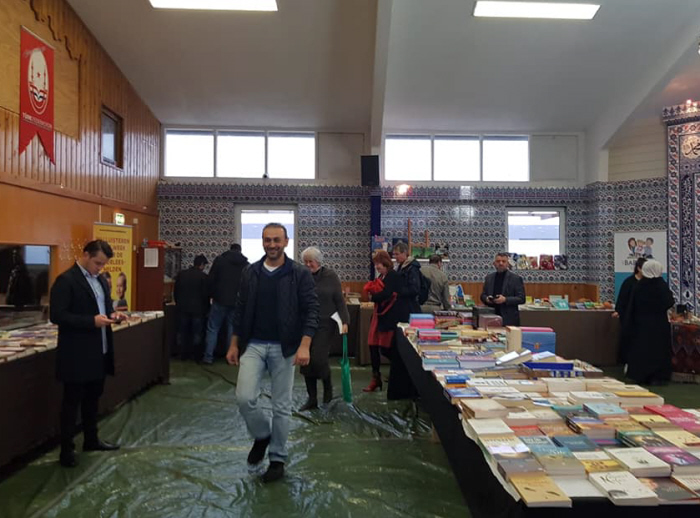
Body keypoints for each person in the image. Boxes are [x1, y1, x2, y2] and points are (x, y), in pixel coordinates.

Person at [226, 223, 319, 483]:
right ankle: (262, 435)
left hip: (286, 347)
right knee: (244, 397)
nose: (272, 245)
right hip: (253, 344)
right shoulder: (250, 272)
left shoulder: (299, 274)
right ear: (262, 242)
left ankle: (277, 459)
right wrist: (234, 343)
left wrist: (304, 344)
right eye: (267, 240)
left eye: (277, 240)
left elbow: (312, 310)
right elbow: (240, 309)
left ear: (286, 242)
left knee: (281, 406)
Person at [49, 240, 126, 468]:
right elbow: (58, 315)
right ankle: (66, 449)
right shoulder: (66, 281)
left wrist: (114, 315)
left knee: (93, 399)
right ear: (85, 255)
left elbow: (105, 308)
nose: (99, 268)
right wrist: (90, 321)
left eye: (103, 265)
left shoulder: (101, 280)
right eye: (97, 263)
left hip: (99, 350)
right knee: (71, 403)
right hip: (76, 353)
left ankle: (91, 440)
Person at [299, 247, 349, 410]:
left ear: (318, 262)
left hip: (326, 323)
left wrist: (345, 321)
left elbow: (339, 300)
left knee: (318, 359)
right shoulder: (301, 276)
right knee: (305, 361)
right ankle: (312, 399)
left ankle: (328, 387)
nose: (307, 264)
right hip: (306, 323)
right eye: (305, 261)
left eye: (310, 261)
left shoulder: (330, 276)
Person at [623, 260, 675, 385]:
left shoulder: (639, 286)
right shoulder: (661, 285)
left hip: (641, 325)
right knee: (658, 351)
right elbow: (669, 302)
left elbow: (632, 306)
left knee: (641, 350)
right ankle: (657, 377)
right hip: (659, 324)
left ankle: (640, 375)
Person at [202, 244, 248, 364]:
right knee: (232, 330)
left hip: (219, 300)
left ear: (229, 249)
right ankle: (231, 357)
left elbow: (211, 279)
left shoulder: (220, 261)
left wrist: (212, 295)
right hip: (236, 302)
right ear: (240, 250)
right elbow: (247, 285)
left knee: (213, 328)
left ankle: (208, 357)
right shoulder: (245, 264)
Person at [362, 250, 400, 393]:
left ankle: (398, 371)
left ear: (386, 262)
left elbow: (386, 294)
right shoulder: (382, 276)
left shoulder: (393, 276)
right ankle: (375, 378)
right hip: (379, 316)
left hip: (388, 319)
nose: (377, 266)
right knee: (373, 347)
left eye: (379, 263)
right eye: (375, 264)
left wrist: (373, 296)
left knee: (386, 349)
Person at [387, 241, 419, 400]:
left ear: (405, 253)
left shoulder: (412, 269)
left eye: (397, 254)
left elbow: (414, 290)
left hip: (408, 314)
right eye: (394, 255)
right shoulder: (401, 267)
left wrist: (398, 291)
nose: (395, 257)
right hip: (401, 313)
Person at [173, 254, 210, 361]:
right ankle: (196, 356)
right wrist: (206, 308)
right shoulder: (203, 277)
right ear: (202, 265)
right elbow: (205, 295)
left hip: (182, 308)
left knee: (181, 332)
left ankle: (181, 354)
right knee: (197, 333)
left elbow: (176, 292)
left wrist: (178, 303)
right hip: (198, 310)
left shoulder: (181, 274)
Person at [613, 257, 646, 364]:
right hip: (628, 315)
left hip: (643, 316)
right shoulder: (629, 282)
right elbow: (622, 298)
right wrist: (618, 310)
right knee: (628, 338)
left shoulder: (648, 282)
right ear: (639, 268)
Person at [480, 252, 526, 326]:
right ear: (494, 263)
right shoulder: (489, 278)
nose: (501, 263)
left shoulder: (516, 279)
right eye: (498, 261)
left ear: (508, 264)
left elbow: (521, 299)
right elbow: (483, 295)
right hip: (491, 317)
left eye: (503, 261)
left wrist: (505, 299)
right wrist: (487, 299)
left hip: (509, 319)